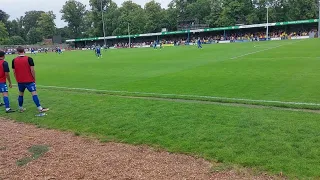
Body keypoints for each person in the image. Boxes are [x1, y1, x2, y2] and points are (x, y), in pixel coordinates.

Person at [12, 46, 49, 113]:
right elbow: (32, 70)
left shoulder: (14, 60)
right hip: (29, 80)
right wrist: (34, 78)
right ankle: (40, 108)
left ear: (17, 52)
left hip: (20, 81)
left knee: (21, 94)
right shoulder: (29, 59)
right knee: (34, 93)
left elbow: (14, 72)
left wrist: (17, 79)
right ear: (24, 50)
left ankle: (20, 108)